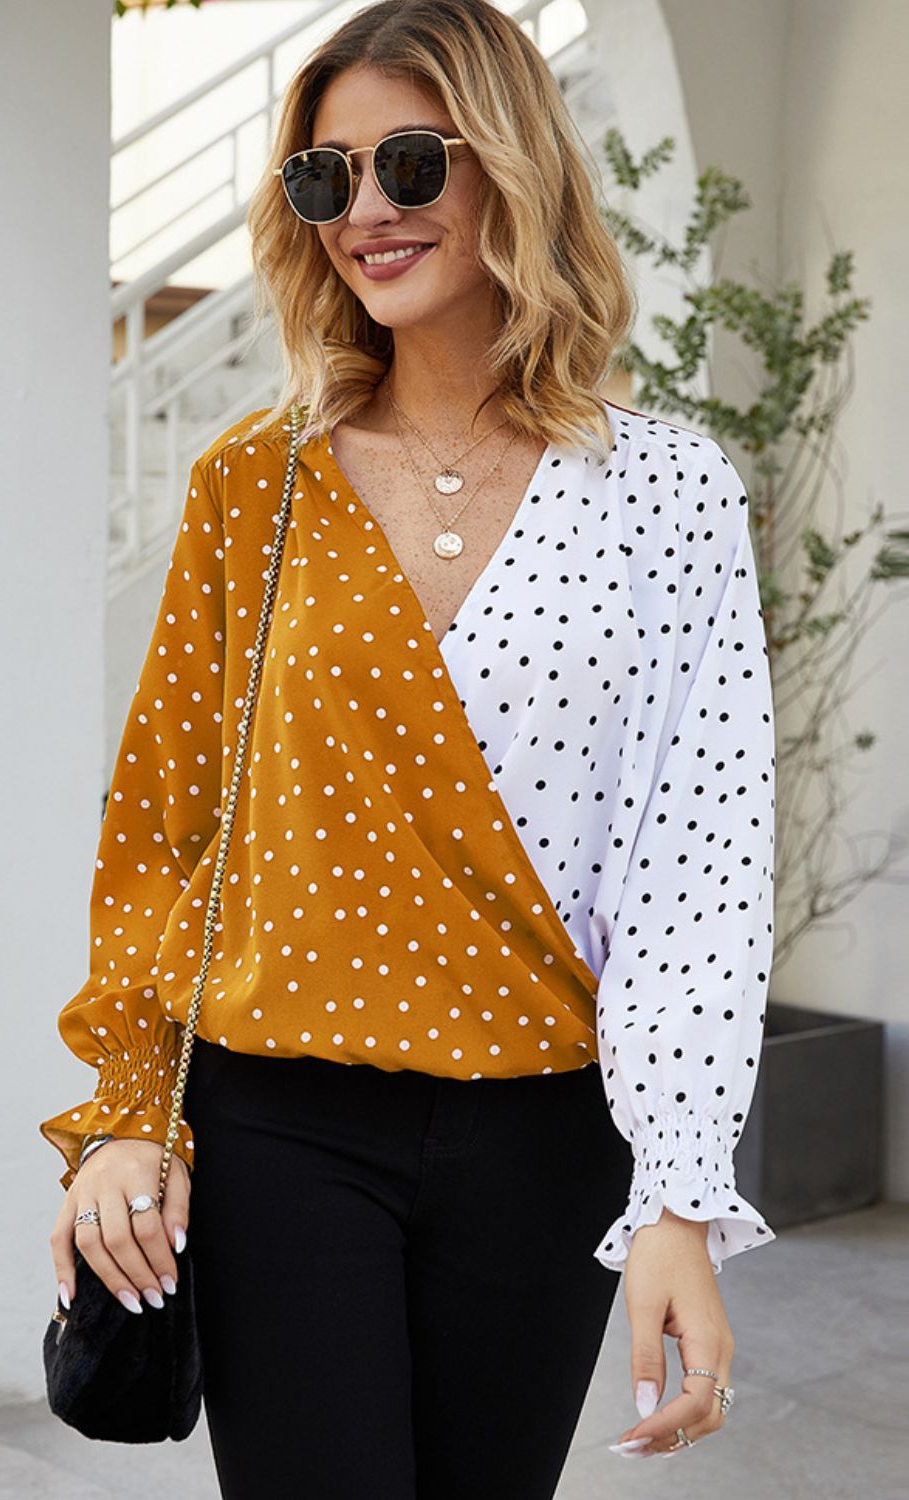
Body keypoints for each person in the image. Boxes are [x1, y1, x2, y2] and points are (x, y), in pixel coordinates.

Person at [42, 0, 777, 1493]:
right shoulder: (255, 483)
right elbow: (168, 829)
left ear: (514, 165)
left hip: (545, 1133)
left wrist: (678, 1201)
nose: (366, 211)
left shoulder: (667, 494)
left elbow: (699, 871)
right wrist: (122, 1117)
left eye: (413, 162)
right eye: (326, 178)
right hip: (279, 1120)